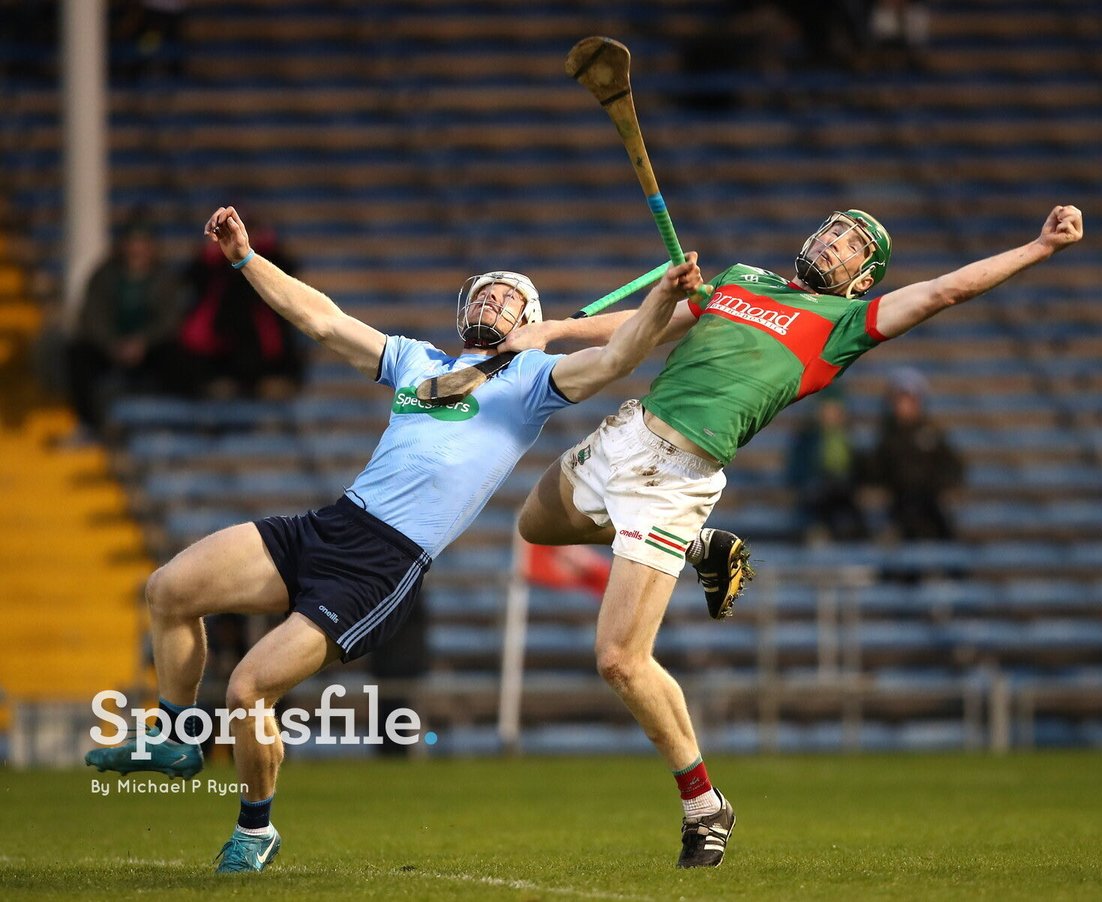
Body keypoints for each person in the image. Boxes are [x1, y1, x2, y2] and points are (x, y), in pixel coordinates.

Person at [85, 205, 721, 873]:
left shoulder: (536, 381)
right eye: (484, 292)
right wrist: (245, 258)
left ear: (527, 319)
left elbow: (620, 356)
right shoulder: (418, 362)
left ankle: (255, 828)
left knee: (248, 690)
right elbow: (321, 319)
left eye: (507, 297)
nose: (492, 300)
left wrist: (661, 300)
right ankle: (177, 734)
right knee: (170, 589)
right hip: (330, 524)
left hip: (381, 566)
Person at [512, 204, 1084, 868]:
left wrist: (1039, 248)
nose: (835, 243)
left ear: (863, 280)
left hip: (676, 477)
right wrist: (557, 328)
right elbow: (649, 328)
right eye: (834, 231)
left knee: (619, 660)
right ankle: (703, 548)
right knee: (536, 525)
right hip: (627, 433)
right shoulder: (742, 278)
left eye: (852, 245)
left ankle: (704, 804)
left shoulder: (845, 326)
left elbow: (944, 290)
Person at [64, 218, 186, 439]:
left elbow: (170, 319)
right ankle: (89, 424)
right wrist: (112, 345)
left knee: (178, 356)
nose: (136, 249)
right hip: (110, 348)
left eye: (142, 242)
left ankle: (170, 423)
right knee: (78, 354)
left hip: (151, 350)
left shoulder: (164, 278)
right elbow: (92, 316)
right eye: (132, 242)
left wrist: (144, 342)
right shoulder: (104, 275)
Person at [176, 224, 306, 400]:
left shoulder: (269, 266)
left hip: (266, 363)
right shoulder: (214, 271)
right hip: (218, 361)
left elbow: (289, 277)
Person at [863, 365, 964, 540]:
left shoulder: (932, 435)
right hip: (899, 505)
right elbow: (875, 472)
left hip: (930, 502)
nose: (905, 406)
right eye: (900, 400)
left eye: (910, 399)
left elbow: (952, 466)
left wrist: (946, 488)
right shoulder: (886, 438)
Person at [786, 389, 869, 541]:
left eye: (835, 409)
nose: (830, 414)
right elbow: (796, 473)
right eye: (826, 409)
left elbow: (864, 472)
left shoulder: (853, 439)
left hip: (846, 495)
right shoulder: (806, 440)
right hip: (816, 497)